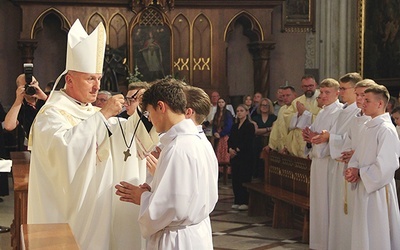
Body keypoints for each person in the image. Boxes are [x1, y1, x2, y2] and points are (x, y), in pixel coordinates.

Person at [27, 19, 149, 250]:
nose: (96, 86)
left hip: (99, 206)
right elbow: (62, 151)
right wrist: (102, 116)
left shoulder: (92, 112)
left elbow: (126, 137)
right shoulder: (52, 113)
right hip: (69, 210)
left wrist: (146, 113)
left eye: (99, 79)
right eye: (90, 79)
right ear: (70, 80)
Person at [115, 79, 218, 249]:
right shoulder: (199, 140)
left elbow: (170, 207)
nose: (150, 119)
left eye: (149, 113)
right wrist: (155, 190)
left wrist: (140, 197)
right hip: (197, 234)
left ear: (161, 107)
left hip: (176, 240)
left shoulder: (178, 147)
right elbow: (188, 192)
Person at [345, 85, 400, 250]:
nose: (362, 103)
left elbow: (387, 165)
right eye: (362, 99)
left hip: (378, 191)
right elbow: (358, 155)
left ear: (380, 104)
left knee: (377, 232)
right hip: (365, 186)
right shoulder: (368, 127)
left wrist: (360, 173)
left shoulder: (386, 129)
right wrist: (352, 169)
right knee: (364, 231)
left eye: (367, 100)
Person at [108, 80, 158, 250]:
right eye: (126, 100)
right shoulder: (117, 123)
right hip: (118, 193)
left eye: (133, 99)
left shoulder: (153, 125)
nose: (127, 104)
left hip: (144, 190)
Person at [313, 72, 361, 250]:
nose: (340, 92)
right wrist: (324, 137)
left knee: (344, 209)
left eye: (343, 89)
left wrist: (329, 138)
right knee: (336, 210)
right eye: (339, 88)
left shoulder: (356, 111)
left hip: (347, 165)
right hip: (337, 163)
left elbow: (350, 139)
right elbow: (341, 136)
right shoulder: (346, 110)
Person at [302, 78, 342, 250]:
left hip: (328, 163)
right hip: (317, 163)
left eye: (327, 93)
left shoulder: (339, 112)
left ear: (337, 93)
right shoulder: (323, 112)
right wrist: (309, 139)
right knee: (318, 204)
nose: (323, 96)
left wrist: (318, 139)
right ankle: (318, 243)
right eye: (322, 92)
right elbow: (316, 136)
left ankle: (327, 243)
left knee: (326, 204)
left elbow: (335, 138)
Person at [4, 74, 47, 146]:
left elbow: (64, 113)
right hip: (36, 147)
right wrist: (18, 100)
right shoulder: (20, 107)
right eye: (26, 86)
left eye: (33, 83)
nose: (31, 87)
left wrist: (45, 98)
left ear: (37, 83)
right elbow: (8, 126)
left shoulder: (50, 99)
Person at [228, 104, 256, 210]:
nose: (239, 112)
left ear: (247, 112)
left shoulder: (250, 125)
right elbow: (230, 139)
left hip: (245, 156)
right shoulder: (235, 126)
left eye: (241, 110)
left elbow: (249, 141)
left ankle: (244, 201)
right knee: (235, 178)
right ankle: (237, 200)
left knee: (244, 178)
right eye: (237, 111)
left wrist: (238, 149)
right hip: (235, 157)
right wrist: (230, 149)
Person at [286, 75, 321, 158]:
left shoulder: (322, 99)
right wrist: (298, 115)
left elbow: (324, 120)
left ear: (316, 85)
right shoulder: (297, 101)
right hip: (297, 143)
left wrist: (305, 113)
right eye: (305, 86)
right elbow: (287, 118)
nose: (308, 88)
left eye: (310, 86)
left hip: (314, 143)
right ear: (301, 87)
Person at [266, 86, 297, 153]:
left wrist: (287, 147)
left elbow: (294, 130)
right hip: (281, 147)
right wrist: (271, 145)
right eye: (283, 96)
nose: (285, 98)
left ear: (295, 95)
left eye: (288, 95)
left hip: (293, 148)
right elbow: (276, 128)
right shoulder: (282, 109)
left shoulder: (297, 108)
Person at [252, 98, 276, 178]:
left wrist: (262, 130)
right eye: (262, 105)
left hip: (269, 142)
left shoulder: (274, 117)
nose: (264, 107)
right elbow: (255, 131)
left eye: (266, 105)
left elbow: (274, 130)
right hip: (257, 142)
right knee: (257, 161)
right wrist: (268, 129)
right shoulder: (255, 118)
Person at [212, 98, 234, 164]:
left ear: (225, 103)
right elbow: (214, 125)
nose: (221, 104)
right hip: (217, 135)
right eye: (219, 102)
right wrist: (214, 132)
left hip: (225, 135)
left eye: (222, 102)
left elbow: (229, 125)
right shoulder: (216, 114)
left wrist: (221, 134)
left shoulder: (228, 113)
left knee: (224, 152)